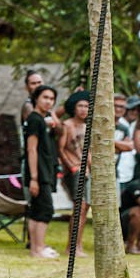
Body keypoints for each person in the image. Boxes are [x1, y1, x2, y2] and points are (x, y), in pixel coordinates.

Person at [23, 84, 60, 258]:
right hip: (38, 172)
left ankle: (38, 247)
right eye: (45, 97)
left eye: (51, 99)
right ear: (36, 98)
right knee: (46, 210)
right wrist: (34, 178)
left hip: (46, 170)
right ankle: (37, 249)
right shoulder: (34, 119)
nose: (48, 102)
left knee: (37, 210)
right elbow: (31, 149)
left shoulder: (43, 120)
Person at [58, 90, 90, 257]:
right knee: (79, 206)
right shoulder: (67, 125)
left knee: (84, 208)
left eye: (86, 106)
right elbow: (61, 149)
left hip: (87, 171)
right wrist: (70, 166)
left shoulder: (88, 126)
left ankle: (78, 244)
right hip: (74, 170)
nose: (84, 109)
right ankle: (71, 246)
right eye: (80, 106)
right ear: (74, 107)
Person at [114, 94, 138, 188]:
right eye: (116, 106)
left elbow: (129, 147)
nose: (119, 109)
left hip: (114, 171)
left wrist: (109, 141)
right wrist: (120, 145)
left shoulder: (124, 128)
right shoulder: (100, 124)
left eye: (122, 107)